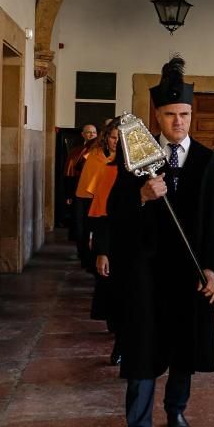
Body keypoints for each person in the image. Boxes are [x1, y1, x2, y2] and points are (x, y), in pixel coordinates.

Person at [107, 56, 214, 427]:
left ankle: (176, 411)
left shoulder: (207, 163)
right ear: (156, 117)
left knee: (184, 348)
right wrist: (141, 196)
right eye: (170, 114)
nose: (179, 121)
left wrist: (212, 270)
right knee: (142, 350)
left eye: (185, 114)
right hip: (146, 271)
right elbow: (115, 209)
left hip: (189, 272)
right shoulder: (136, 160)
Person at [80, 119, 121, 364]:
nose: (118, 142)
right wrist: (101, 249)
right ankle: (119, 338)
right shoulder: (104, 166)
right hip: (113, 240)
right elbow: (98, 211)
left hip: (139, 242)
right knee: (113, 289)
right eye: (114, 137)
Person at [64, 123, 98, 244]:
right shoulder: (75, 152)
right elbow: (69, 173)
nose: (91, 135)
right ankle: (81, 248)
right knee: (79, 221)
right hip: (78, 189)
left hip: (95, 191)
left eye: (94, 133)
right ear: (83, 135)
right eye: (88, 132)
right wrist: (68, 194)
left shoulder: (100, 152)